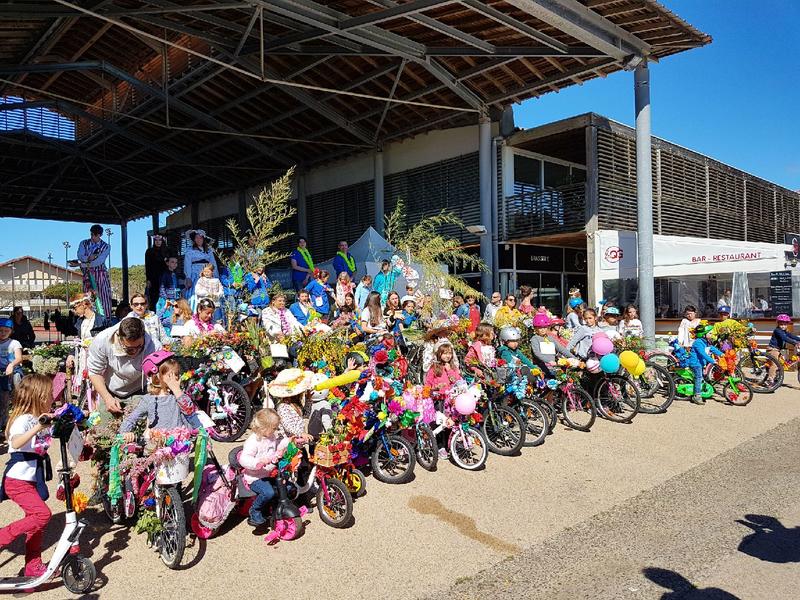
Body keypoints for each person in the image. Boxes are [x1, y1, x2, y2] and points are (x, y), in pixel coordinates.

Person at [0, 374, 55, 577]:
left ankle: (32, 566)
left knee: (36, 524)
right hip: (17, 481)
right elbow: (15, 443)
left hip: (30, 480)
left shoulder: (36, 418)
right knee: (42, 515)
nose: (52, 398)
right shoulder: (23, 420)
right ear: (38, 396)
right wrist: (39, 427)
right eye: (49, 395)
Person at [87, 317, 158, 417]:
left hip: (141, 390)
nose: (135, 352)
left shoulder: (154, 346)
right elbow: (94, 372)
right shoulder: (102, 340)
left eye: (139, 346)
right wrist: (107, 398)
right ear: (119, 338)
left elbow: (158, 375)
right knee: (104, 430)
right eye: (129, 349)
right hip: (111, 391)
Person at [119, 356, 202, 439]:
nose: (177, 378)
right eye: (172, 375)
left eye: (177, 374)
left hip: (179, 445)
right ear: (157, 377)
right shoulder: (149, 400)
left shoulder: (178, 397)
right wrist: (125, 433)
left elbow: (189, 411)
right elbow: (132, 418)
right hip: (158, 445)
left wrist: (177, 391)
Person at [238, 408, 292, 527]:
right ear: (264, 428)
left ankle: (273, 508)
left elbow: (278, 444)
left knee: (287, 487)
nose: (275, 430)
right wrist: (258, 462)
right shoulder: (253, 441)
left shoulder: (271, 436)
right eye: (274, 428)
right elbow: (243, 459)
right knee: (268, 492)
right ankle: (254, 510)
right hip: (254, 477)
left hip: (268, 473)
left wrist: (290, 442)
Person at [77, 224, 112, 317]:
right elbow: (80, 256)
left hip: (101, 274)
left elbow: (99, 261)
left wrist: (83, 263)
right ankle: (88, 319)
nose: (92, 237)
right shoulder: (83, 243)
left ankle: (106, 319)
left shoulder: (106, 246)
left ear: (100, 235)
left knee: (104, 297)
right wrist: (90, 257)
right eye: (91, 234)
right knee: (87, 297)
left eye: (95, 235)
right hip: (87, 274)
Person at [0, 316, 24, 438]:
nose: (3, 333)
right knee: (3, 401)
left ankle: (19, 421)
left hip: (13, 371)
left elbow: (19, 358)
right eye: (1, 330)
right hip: (1, 374)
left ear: (11, 331)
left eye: (6, 331)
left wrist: (11, 364)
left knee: (17, 396)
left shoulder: (14, 343)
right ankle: (4, 425)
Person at [689, 323, 723, 405]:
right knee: (698, 377)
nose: (712, 335)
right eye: (710, 333)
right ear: (703, 334)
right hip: (695, 363)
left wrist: (722, 354)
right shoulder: (698, 342)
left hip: (700, 363)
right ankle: (697, 396)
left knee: (703, 377)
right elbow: (702, 353)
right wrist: (712, 361)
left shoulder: (706, 342)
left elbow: (712, 348)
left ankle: (702, 390)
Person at [183, 229, 217, 308]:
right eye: (196, 238)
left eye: (200, 238)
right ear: (194, 239)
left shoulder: (209, 251)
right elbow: (187, 264)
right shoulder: (190, 251)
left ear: (203, 239)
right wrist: (188, 277)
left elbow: (213, 264)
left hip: (208, 274)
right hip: (195, 275)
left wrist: (215, 277)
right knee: (196, 295)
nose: (198, 239)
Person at [766, 314, 800, 386]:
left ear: (787, 324)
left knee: (782, 363)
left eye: (785, 324)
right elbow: (784, 338)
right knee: (774, 364)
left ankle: (775, 377)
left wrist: (798, 339)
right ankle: (770, 379)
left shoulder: (785, 331)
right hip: (772, 349)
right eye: (781, 324)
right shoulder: (777, 331)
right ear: (778, 324)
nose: (783, 326)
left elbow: (792, 336)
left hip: (778, 350)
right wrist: (795, 343)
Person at [144, 234, 168, 309]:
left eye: (160, 240)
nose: (158, 242)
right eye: (156, 240)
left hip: (165, 277)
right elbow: (148, 266)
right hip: (154, 278)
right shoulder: (149, 251)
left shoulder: (166, 251)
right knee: (154, 297)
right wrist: (148, 279)